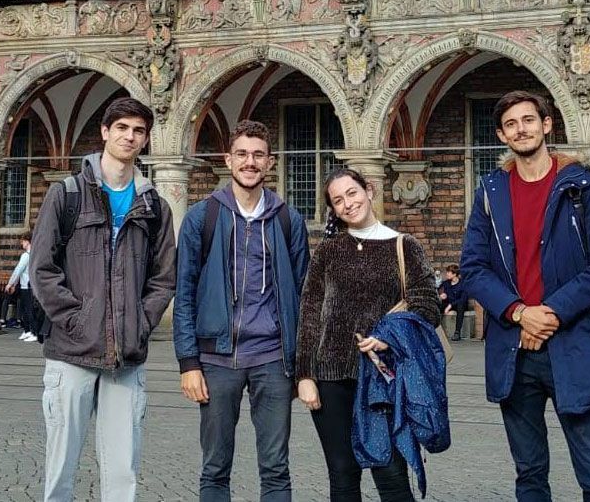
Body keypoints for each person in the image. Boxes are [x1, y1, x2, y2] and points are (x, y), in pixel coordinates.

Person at [460, 91, 590, 502]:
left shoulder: (584, 187)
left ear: (547, 125)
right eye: (512, 124)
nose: (522, 129)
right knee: (530, 473)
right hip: (516, 350)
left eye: (529, 120)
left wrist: (549, 313)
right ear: (502, 135)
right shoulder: (491, 191)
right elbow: (473, 269)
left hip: (575, 344)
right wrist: (520, 313)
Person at [29, 97, 176, 502]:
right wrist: (74, 319)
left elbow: (163, 278)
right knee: (61, 470)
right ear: (105, 132)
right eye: (123, 128)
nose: (130, 136)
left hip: (126, 358)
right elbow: (42, 268)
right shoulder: (67, 194)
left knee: (123, 473)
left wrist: (141, 322)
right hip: (71, 352)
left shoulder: (154, 206)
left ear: (146, 140)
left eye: (139, 131)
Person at [173, 120, 310, 502]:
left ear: (270, 162)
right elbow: (183, 292)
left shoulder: (288, 220)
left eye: (258, 155)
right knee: (215, 469)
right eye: (243, 154)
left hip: (272, 359)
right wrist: (188, 363)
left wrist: (303, 366)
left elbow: (304, 295)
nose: (250, 162)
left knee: (276, 469)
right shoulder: (202, 218)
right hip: (216, 360)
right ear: (228, 159)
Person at [296, 167, 441, 502]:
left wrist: (390, 335)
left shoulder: (405, 246)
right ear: (332, 209)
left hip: (383, 378)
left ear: (369, 191)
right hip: (332, 378)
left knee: (390, 473)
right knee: (343, 474)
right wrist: (304, 374)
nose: (347, 203)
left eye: (352, 193)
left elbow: (427, 305)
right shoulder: (328, 252)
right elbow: (310, 313)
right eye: (337, 200)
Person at [6, 237, 40, 343]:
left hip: (27, 286)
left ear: (28, 242)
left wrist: (10, 283)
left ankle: (34, 332)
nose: (22, 244)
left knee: (29, 309)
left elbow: (18, 270)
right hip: (28, 285)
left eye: (23, 242)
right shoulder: (36, 255)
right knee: (25, 309)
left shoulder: (26, 255)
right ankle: (27, 330)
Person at [439, 264, 469, 340]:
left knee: (460, 305)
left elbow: (463, 299)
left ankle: (457, 332)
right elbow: (438, 290)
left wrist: (450, 305)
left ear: (454, 274)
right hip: (448, 303)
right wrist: (442, 295)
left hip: (458, 304)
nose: (447, 274)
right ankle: (434, 330)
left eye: (449, 272)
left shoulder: (463, 284)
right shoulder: (446, 283)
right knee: (437, 306)